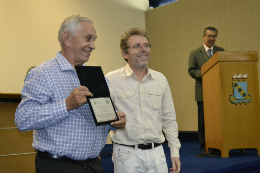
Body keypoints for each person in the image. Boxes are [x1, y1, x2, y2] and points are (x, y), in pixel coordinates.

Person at [15, 14, 126, 173]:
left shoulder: (98, 77)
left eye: (94, 40)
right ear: (66, 38)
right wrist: (66, 105)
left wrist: (115, 120)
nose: (93, 46)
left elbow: (100, 117)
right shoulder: (42, 74)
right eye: (88, 38)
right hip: (58, 167)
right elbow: (23, 119)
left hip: (94, 165)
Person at [106, 27, 181, 173]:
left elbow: (169, 119)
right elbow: (103, 118)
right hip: (127, 156)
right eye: (137, 46)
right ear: (124, 53)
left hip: (157, 155)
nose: (143, 50)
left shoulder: (160, 79)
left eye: (146, 45)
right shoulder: (111, 80)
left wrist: (174, 151)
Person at [188, 27, 224, 152]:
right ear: (203, 36)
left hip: (218, 91)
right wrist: (206, 72)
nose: (211, 39)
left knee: (218, 119)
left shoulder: (221, 51)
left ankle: (218, 143)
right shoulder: (195, 53)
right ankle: (204, 145)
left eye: (214, 36)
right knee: (203, 120)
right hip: (202, 91)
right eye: (209, 36)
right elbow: (191, 71)